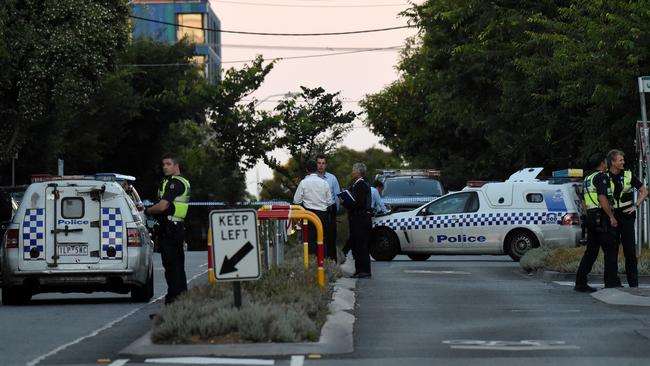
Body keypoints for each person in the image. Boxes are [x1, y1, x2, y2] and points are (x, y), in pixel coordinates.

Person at [145, 153, 191, 304]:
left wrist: (146, 211)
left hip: (172, 228)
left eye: (168, 164)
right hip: (171, 228)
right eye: (163, 164)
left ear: (176, 165)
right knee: (173, 266)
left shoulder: (175, 183)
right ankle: (177, 302)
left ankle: (174, 302)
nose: (165, 167)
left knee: (173, 267)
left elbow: (163, 206)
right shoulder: (170, 182)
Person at [574, 153, 619, 292]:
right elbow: (602, 197)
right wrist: (611, 216)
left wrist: (588, 216)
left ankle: (580, 282)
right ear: (602, 163)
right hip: (602, 217)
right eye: (606, 162)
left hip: (592, 217)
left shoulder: (588, 178)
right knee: (610, 250)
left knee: (591, 252)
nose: (607, 164)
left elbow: (583, 200)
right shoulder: (601, 177)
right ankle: (611, 282)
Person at [607, 149, 648, 288]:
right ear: (613, 162)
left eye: (623, 160)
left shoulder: (629, 175)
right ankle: (612, 284)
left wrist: (636, 205)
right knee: (612, 252)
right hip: (611, 217)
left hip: (627, 217)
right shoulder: (604, 176)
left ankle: (634, 285)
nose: (623, 162)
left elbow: (644, 190)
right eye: (620, 160)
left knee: (630, 252)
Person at [294, 160, 332, 259]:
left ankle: (312, 263)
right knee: (322, 240)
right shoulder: (324, 183)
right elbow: (329, 202)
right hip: (322, 215)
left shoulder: (303, 183)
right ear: (316, 169)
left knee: (309, 241)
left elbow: (296, 200)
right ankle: (323, 263)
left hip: (309, 215)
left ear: (307, 170)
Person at [341, 163, 373, 278]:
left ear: (359, 172)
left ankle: (364, 270)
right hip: (358, 219)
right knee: (357, 245)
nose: (352, 171)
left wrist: (345, 202)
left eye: (354, 169)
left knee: (361, 245)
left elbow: (357, 203)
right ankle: (359, 270)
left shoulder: (361, 185)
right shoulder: (357, 184)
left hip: (361, 219)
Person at [316, 154, 341, 262]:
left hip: (329, 212)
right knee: (317, 238)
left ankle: (332, 261)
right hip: (315, 212)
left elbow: (337, 196)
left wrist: (335, 212)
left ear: (326, 165)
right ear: (316, 164)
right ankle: (319, 262)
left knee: (331, 239)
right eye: (319, 163)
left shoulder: (332, 178)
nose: (321, 166)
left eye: (323, 163)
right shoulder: (310, 178)